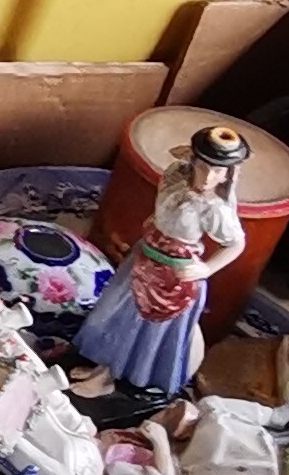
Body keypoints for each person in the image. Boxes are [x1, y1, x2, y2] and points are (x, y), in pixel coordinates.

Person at [73, 125, 249, 400]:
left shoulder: (214, 208)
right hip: (145, 256)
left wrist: (206, 268)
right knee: (111, 313)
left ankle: (109, 376)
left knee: (135, 327)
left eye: (217, 171)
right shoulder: (175, 178)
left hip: (171, 274)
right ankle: (101, 366)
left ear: (228, 174)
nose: (207, 177)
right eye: (203, 166)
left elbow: (236, 243)